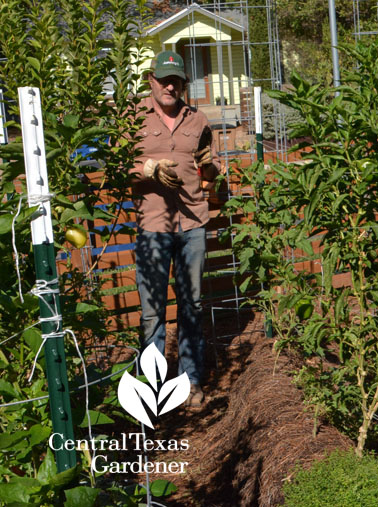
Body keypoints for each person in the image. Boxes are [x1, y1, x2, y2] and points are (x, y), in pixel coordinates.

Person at [130, 50, 220, 406]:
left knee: (191, 305)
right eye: (163, 79)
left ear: (184, 84)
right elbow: (119, 167)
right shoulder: (133, 118)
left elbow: (205, 161)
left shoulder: (198, 120)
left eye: (177, 80)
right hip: (153, 226)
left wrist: (211, 171)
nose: (170, 86)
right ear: (151, 80)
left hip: (193, 224)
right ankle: (151, 389)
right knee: (152, 310)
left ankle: (191, 382)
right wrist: (148, 168)